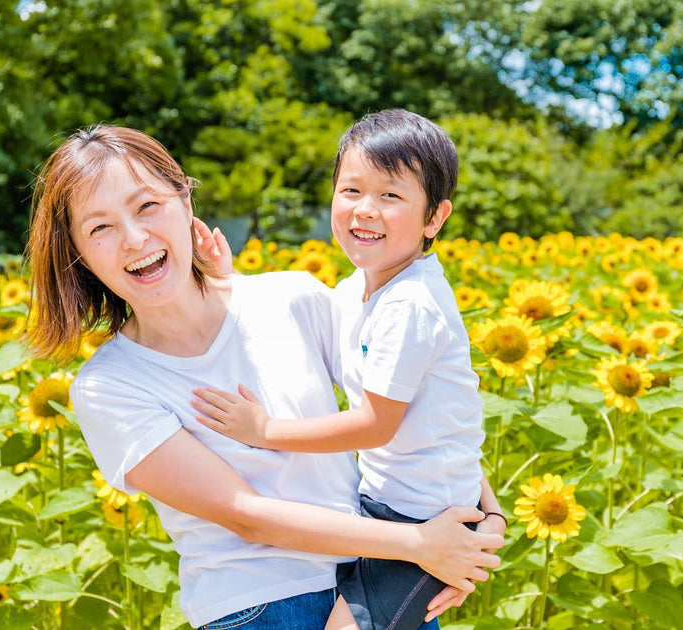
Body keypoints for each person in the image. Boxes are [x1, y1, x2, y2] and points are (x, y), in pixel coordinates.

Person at [24, 125, 504, 630]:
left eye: (147, 206)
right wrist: (420, 542)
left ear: (185, 203)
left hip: (380, 576)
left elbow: (413, 398)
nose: (135, 239)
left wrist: (480, 518)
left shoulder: (291, 298)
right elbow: (246, 515)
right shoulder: (111, 386)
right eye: (100, 228)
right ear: (76, 251)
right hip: (262, 607)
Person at [190, 109, 504, 630]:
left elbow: (376, 425)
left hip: (429, 517)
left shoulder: (410, 305)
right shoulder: (359, 288)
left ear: (434, 218)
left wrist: (264, 431)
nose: (366, 209)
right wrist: (228, 279)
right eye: (351, 190)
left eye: (391, 195)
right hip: (389, 508)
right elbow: (296, 324)